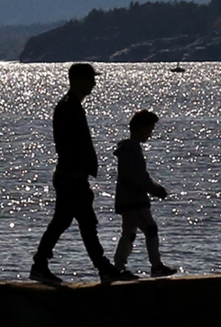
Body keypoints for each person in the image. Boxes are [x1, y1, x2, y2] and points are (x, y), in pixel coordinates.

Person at [31, 62, 122, 286]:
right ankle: (102, 268)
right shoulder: (68, 107)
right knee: (83, 223)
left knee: (70, 222)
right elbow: (68, 144)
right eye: (90, 78)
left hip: (72, 176)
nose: (94, 83)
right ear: (79, 80)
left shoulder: (71, 106)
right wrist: (79, 170)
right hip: (71, 177)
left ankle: (42, 265)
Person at [111, 109, 176, 278]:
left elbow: (140, 176)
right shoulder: (131, 150)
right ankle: (156, 265)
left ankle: (117, 269)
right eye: (149, 130)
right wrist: (156, 190)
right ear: (140, 129)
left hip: (127, 200)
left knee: (129, 234)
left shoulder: (129, 149)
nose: (150, 134)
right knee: (151, 229)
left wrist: (153, 187)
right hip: (134, 200)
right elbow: (138, 177)